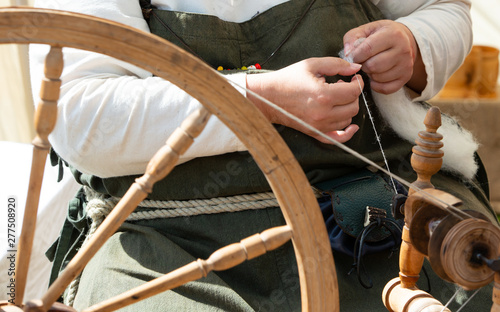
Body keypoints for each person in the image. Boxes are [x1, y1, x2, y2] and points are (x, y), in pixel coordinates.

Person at [30, 0, 497, 311]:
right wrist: (258, 98)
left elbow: (443, 10)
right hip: (173, 247)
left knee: (465, 277)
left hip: (371, 221)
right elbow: (79, 114)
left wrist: (413, 44)